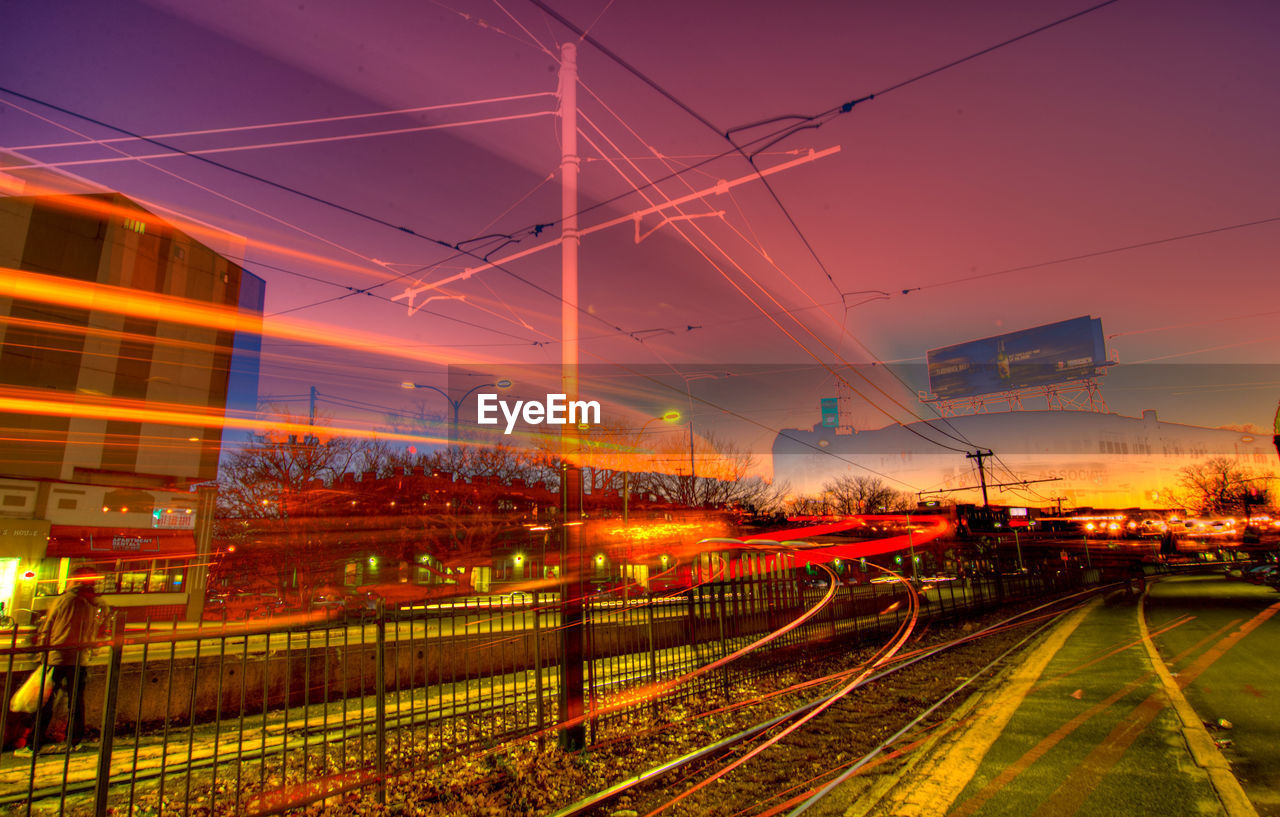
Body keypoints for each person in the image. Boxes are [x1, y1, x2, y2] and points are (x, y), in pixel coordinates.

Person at [16, 569, 106, 756]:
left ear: (73, 582)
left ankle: (34, 744)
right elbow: (99, 629)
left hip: (58, 656)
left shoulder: (64, 600)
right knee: (76, 703)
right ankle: (74, 741)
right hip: (80, 658)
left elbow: (48, 627)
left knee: (46, 701)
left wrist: (42, 651)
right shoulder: (94, 603)